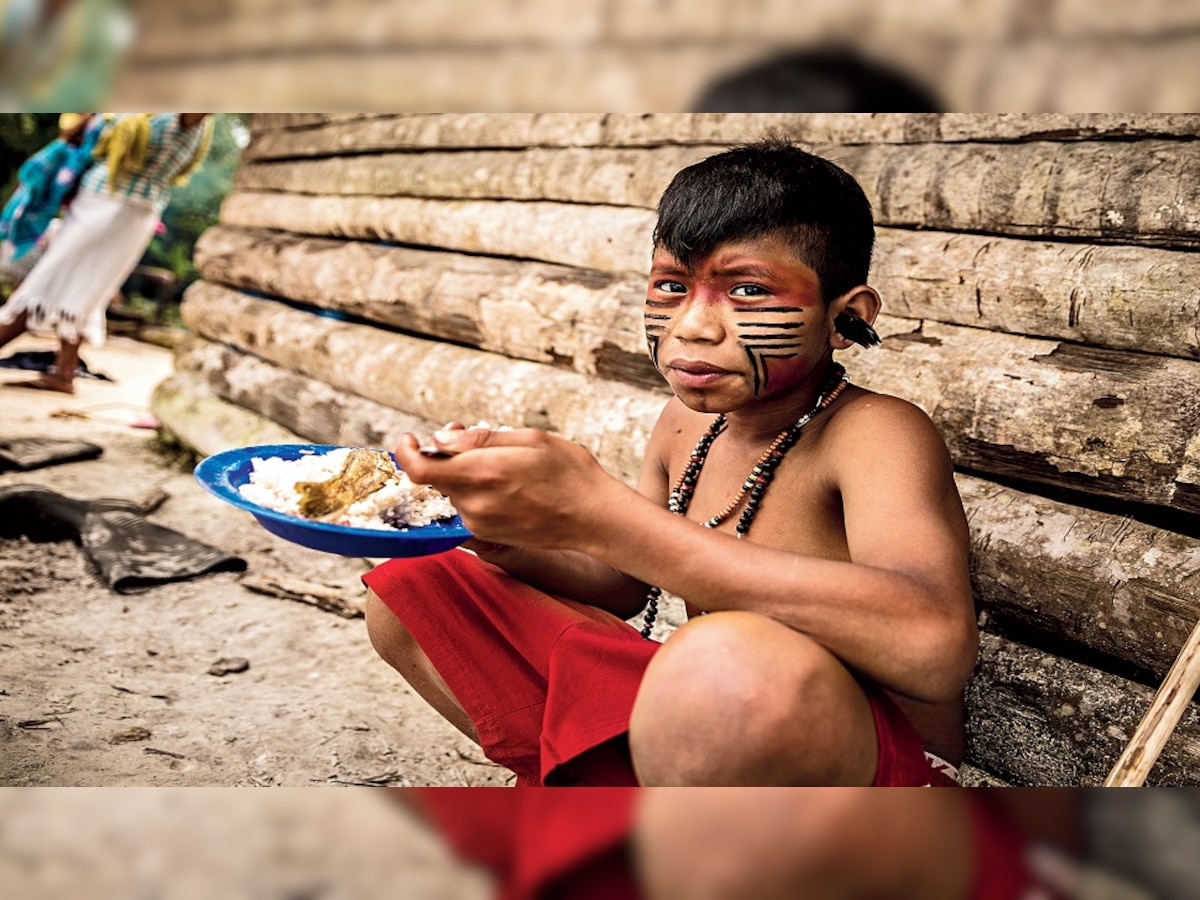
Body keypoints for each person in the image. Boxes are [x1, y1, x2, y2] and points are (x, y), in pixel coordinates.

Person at [364, 137, 978, 786]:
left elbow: (933, 645)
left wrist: (603, 516)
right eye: (670, 287)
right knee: (418, 591)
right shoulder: (686, 423)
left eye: (746, 290)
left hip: (865, 763)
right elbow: (625, 584)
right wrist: (504, 534)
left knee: (717, 652)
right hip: (706, 716)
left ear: (844, 317)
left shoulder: (874, 431)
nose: (692, 326)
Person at [0, 112, 212, 394]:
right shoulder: (138, 109)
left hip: (115, 209)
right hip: (102, 206)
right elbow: (73, 135)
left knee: (46, 285)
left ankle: (62, 372)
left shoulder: (180, 115)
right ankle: (63, 374)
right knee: (79, 289)